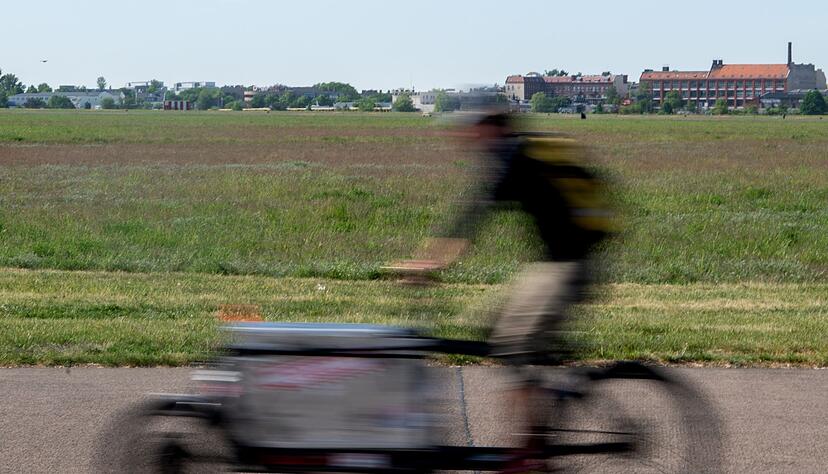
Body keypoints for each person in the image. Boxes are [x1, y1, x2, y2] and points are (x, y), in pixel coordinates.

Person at [392, 112, 614, 457]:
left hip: (571, 266)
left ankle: (532, 448)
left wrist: (430, 263)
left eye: (473, 128)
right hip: (551, 264)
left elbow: (472, 217)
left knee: (514, 342)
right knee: (495, 329)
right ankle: (541, 396)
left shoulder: (518, 160)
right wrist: (432, 259)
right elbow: (473, 212)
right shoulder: (515, 155)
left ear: (492, 128)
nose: (467, 135)